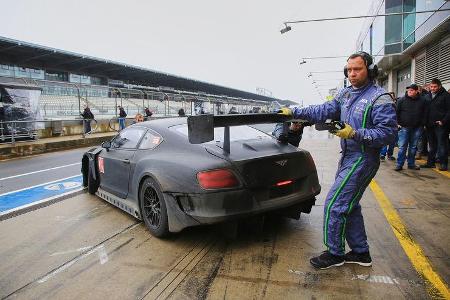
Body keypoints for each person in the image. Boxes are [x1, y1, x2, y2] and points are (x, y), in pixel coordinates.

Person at [278, 51, 397, 269]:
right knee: (349, 206)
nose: (352, 74)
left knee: (335, 204)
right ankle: (361, 253)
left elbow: (388, 134)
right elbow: (323, 109)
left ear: (369, 70)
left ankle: (335, 253)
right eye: (349, 70)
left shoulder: (379, 98)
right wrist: (293, 110)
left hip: (363, 158)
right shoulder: (346, 94)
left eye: (357, 69)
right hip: (348, 157)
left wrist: (354, 134)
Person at [394, 84, 427, 171]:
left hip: (417, 128)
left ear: (417, 91)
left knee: (413, 147)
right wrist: (397, 123)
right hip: (404, 127)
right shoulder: (401, 100)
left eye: (412, 90)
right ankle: (399, 164)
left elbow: (425, 113)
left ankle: (411, 164)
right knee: (402, 147)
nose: (409, 92)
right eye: (409, 90)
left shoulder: (423, 100)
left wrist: (422, 124)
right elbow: (396, 112)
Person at [420, 78, 450, 171]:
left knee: (442, 145)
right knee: (432, 145)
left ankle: (443, 164)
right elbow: (425, 110)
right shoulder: (427, 96)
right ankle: (430, 163)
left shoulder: (446, 96)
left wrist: (443, 121)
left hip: (440, 125)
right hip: (429, 125)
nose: (432, 88)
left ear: (439, 86)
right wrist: (424, 123)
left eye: (434, 87)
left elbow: (449, 111)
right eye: (431, 86)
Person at [380, 92, 397, 161]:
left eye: (391, 97)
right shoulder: (383, 105)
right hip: (385, 125)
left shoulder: (396, 105)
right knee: (384, 141)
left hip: (394, 126)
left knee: (392, 142)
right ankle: (382, 154)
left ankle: (390, 155)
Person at [417, 84, 432, 159]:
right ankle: (422, 152)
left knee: (421, 139)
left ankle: (421, 152)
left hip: (424, 122)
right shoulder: (425, 97)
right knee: (421, 138)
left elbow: (426, 111)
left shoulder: (425, 98)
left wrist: (424, 122)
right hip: (421, 122)